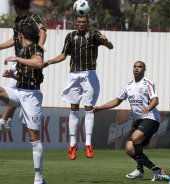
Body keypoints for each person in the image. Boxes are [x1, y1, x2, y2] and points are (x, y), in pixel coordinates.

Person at [44, 15, 113, 160]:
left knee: (89, 108)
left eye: (84, 22)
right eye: (79, 22)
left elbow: (110, 46)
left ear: (87, 23)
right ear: (75, 23)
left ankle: (88, 144)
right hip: (73, 75)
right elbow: (63, 55)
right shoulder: (70, 36)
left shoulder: (94, 33)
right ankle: (72, 144)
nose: (81, 24)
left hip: (89, 74)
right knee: (74, 108)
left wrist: (106, 42)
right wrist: (49, 61)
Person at [93, 61, 164, 181]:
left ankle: (140, 170)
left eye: (139, 67)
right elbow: (116, 101)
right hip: (138, 120)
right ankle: (156, 170)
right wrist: (100, 108)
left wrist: (148, 108)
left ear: (144, 69)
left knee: (135, 138)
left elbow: (155, 100)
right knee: (129, 149)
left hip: (151, 118)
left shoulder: (148, 82)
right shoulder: (128, 85)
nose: (137, 69)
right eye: (135, 67)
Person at [1, 24, 45, 184]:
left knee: (34, 137)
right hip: (18, 90)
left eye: (18, 35)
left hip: (31, 96)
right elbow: (25, 75)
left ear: (21, 36)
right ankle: (3, 122)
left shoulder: (36, 48)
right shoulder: (22, 51)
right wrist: (12, 75)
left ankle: (39, 179)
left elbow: (38, 63)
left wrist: (16, 59)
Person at [0, 0, 46, 132]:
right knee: (14, 89)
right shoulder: (17, 21)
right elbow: (15, 40)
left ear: (16, 6)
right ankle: (6, 120)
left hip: (30, 59)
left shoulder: (34, 17)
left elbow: (43, 32)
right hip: (18, 60)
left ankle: (4, 121)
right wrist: (1, 46)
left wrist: (40, 45)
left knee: (14, 88)